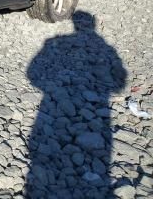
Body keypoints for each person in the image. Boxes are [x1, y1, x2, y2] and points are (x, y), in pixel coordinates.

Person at [26, 11, 126, 198]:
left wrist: (48, 87)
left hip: (48, 106)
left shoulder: (53, 43)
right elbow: (120, 83)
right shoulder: (106, 48)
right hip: (94, 113)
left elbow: (31, 72)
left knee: (42, 153)